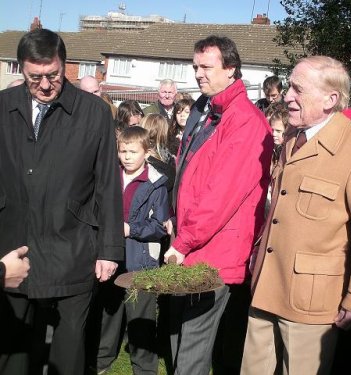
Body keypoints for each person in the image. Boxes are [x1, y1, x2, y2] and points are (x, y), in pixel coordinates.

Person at [241, 56, 351, 375]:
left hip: (310, 303)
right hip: (267, 285)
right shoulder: (293, 137)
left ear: (331, 99)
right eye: (289, 88)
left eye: (298, 89)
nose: (287, 96)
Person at [0, 29, 123, 375]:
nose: (43, 84)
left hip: (73, 244)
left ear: (64, 66)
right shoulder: (2, 107)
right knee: (13, 347)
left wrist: (109, 249)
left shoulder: (93, 112)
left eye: (52, 75)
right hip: (13, 245)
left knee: (68, 351)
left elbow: (107, 184)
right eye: (34, 77)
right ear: (22, 70)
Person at [163, 35, 273, 375]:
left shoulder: (244, 120)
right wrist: (174, 220)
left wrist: (183, 241)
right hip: (192, 241)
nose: (198, 74)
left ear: (231, 69)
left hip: (214, 250)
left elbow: (220, 194)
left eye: (207, 67)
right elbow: (188, 175)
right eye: (196, 66)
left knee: (193, 345)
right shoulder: (206, 109)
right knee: (177, 334)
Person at [94, 126, 168, 374]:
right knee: (109, 312)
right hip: (112, 255)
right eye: (122, 151)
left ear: (146, 153)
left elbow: (159, 226)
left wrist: (131, 229)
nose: (126, 156)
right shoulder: (110, 177)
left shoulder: (155, 184)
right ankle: (102, 359)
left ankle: (144, 367)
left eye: (132, 152)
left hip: (141, 260)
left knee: (141, 317)